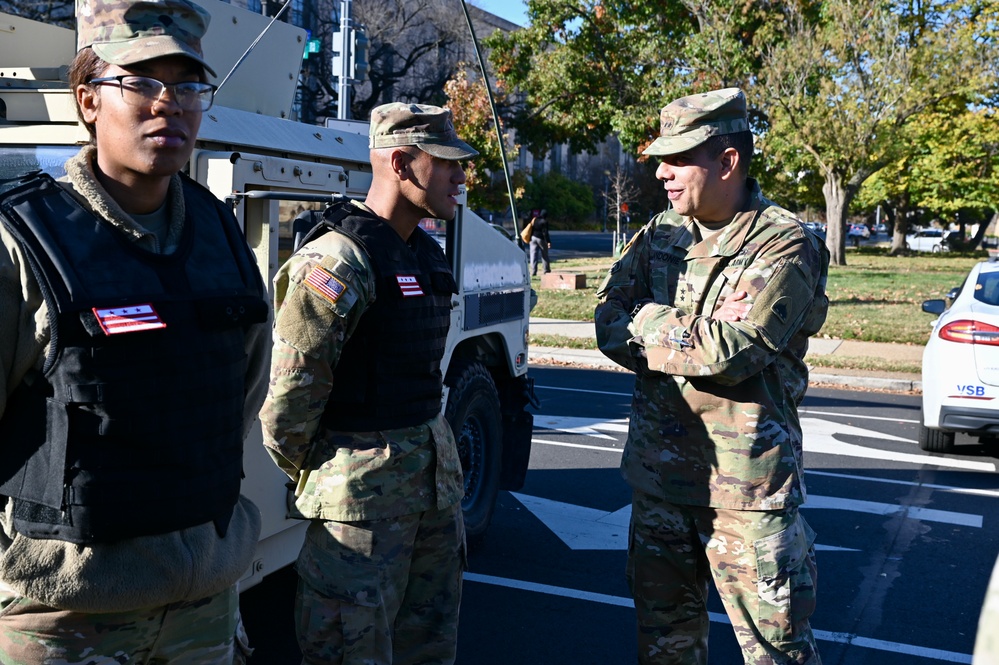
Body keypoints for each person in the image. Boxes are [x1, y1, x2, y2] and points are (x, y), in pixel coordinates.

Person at [0, 0, 270, 661]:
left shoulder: (220, 234)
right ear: (89, 99)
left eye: (187, 86)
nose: (168, 104)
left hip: (203, 606)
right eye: (142, 82)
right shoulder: (23, 239)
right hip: (63, 618)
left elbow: (242, 397)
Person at [594, 88, 829, 664]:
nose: (663, 174)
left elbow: (733, 351)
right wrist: (687, 332)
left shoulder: (785, 241)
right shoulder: (662, 233)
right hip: (658, 483)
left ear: (727, 162)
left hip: (745, 496)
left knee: (777, 654)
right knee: (666, 648)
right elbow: (605, 323)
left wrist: (648, 317)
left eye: (678, 160)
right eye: (660, 161)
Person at [259, 102, 477, 665]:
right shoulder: (336, 261)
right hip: (358, 513)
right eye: (448, 163)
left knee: (427, 651)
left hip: (432, 496)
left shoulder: (423, 252)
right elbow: (287, 403)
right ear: (402, 163)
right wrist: (333, 478)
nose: (461, 176)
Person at [529, 208, 552, 275]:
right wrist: (548, 242)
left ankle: (533, 271)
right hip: (541, 239)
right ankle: (546, 270)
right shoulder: (544, 221)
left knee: (533, 255)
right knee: (544, 255)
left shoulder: (534, 219)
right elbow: (545, 232)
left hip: (533, 238)